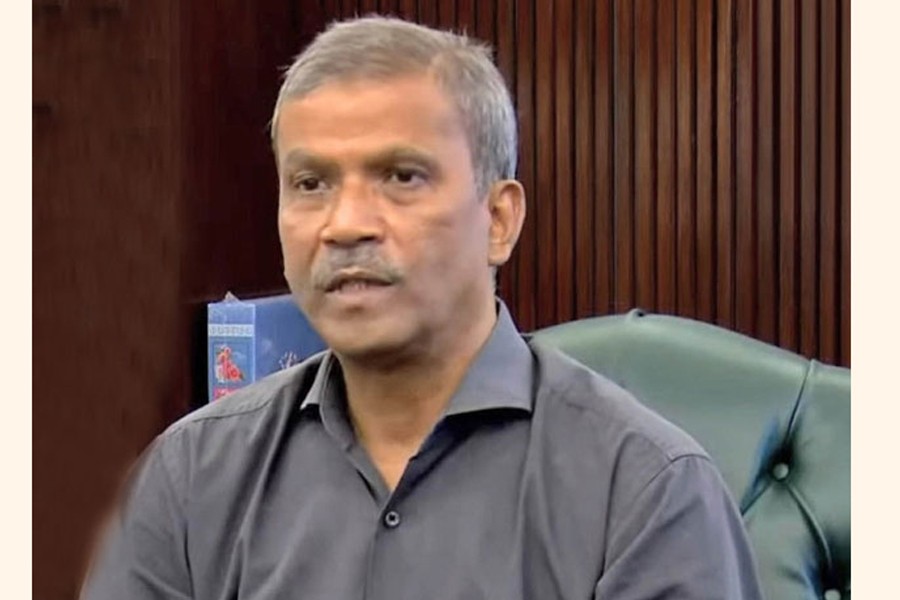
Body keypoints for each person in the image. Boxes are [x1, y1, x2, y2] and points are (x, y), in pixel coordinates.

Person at [81, 16, 763, 600]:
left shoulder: (646, 493)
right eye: (311, 183)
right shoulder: (189, 478)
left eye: (401, 177)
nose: (346, 225)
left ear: (499, 219)